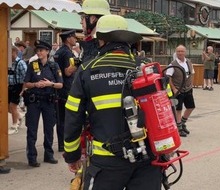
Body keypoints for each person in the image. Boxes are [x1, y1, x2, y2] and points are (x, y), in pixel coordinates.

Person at [63, 15, 163, 190]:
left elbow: (73, 116)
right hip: (148, 160)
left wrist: (72, 155)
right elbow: (167, 106)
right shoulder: (149, 67)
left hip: (107, 163)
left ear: (101, 39)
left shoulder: (87, 70)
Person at [23, 40, 63, 167]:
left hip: (48, 101)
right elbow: (26, 83)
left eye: (41, 50)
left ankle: (48, 155)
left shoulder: (54, 66)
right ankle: (32, 157)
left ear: (47, 51)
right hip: (34, 101)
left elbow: (60, 84)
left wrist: (49, 84)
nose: (39, 52)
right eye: (37, 50)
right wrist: (35, 84)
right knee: (32, 130)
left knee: (49, 129)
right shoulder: (32, 65)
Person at [54, 30, 78, 152]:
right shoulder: (67, 53)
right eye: (74, 37)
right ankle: (64, 144)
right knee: (66, 118)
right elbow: (68, 71)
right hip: (66, 89)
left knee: (61, 119)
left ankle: (61, 144)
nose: (75, 39)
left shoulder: (59, 51)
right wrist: (78, 64)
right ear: (68, 39)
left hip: (60, 89)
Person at [166, 45, 195, 137]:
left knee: (191, 107)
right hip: (178, 90)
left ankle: (182, 123)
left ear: (185, 52)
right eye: (178, 51)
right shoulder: (172, 64)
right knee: (179, 109)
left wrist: (191, 84)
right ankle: (179, 128)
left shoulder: (189, 62)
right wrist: (174, 89)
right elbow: (168, 77)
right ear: (176, 52)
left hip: (188, 88)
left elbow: (192, 73)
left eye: (182, 51)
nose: (180, 53)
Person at [8, 46, 27, 135]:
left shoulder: (20, 63)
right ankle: (19, 116)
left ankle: (14, 125)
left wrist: (23, 90)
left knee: (13, 106)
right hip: (10, 86)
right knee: (7, 107)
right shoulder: (9, 63)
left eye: (9, 52)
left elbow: (26, 78)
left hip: (18, 86)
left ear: (14, 52)